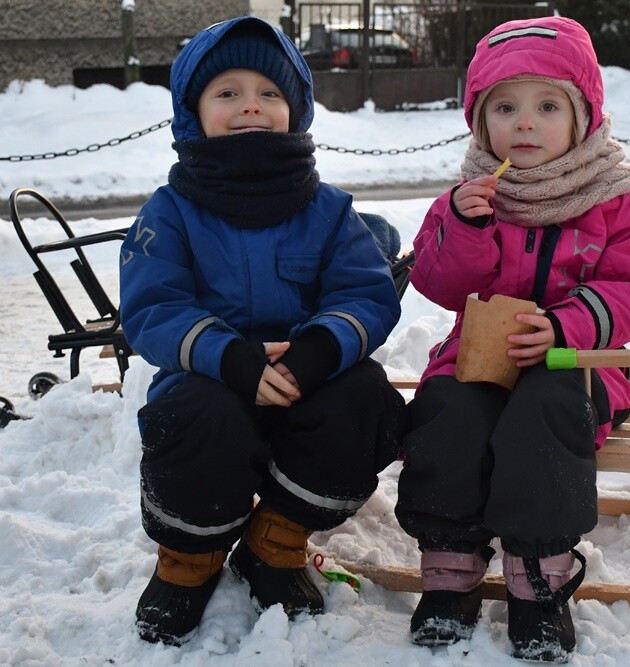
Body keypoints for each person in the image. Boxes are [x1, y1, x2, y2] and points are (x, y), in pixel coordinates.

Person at [119, 16, 406, 646]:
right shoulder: (168, 211)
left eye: (269, 93)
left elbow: (365, 291)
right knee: (195, 417)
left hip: (306, 382)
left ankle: (275, 543)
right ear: (193, 113)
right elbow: (152, 306)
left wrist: (318, 351)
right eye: (227, 92)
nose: (251, 103)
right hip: (214, 383)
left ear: (295, 110)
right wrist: (231, 359)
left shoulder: (328, 210)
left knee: (366, 398)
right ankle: (187, 563)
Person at [394, 16, 630, 663]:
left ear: (584, 117)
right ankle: (451, 569)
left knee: (543, 412)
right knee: (449, 414)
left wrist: (567, 325)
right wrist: (461, 224)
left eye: (548, 106)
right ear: (480, 121)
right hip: (481, 354)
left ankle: (539, 580)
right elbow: (437, 279)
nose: (525, 122)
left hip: (581, 360)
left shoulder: (614, 199)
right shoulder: (472, 196)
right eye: (506, 107)